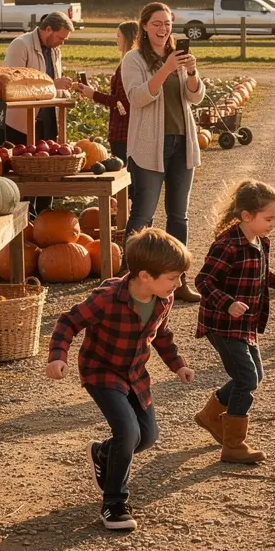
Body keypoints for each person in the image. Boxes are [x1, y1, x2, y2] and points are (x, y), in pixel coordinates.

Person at [45, 228, 194, 531]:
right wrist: (58, 356)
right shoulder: (107, 298)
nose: (177, 283)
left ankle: (103, 452)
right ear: (145, 275)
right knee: (127, 432)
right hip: (102, 372)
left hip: (136, 375)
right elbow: (68, 321)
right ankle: (114, 504)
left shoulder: (163, 299)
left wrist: (177, 365)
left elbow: (161, 335)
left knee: (147, 437)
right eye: (172, 277)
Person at [192, 180, 275, 464]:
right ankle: (234, 445)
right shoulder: (226, 245)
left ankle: (210, 416)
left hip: (245, 325)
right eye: (269, 218)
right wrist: (227, 303)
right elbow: (203, 280)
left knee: (255, 376)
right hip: (223, 325)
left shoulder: (260, 241)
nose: (274, 224)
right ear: (246, 216)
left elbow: (263, 273)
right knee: (246, 379)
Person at [123, 2, 204, 303]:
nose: (163, 29)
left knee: (178, 216)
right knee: (142, 215)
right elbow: (137, 97)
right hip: (149, 147)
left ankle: (177, 281)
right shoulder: (134, 60)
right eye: (157, 23)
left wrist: (191, 72)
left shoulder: (178, 58)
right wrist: (166, 69)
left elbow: (194, 98)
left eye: (167, 23)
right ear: (144, 26)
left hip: (182, 143)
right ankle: (128, 283)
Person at [3, 11, 75, 215]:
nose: (62, 43)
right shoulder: (21, 45)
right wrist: (53, 83)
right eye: (60, 38)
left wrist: (66, 88)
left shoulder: (54, 50)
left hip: (48, 116)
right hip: (22, 120)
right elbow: (12, 84)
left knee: (49, 167)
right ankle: (26, 217)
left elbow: (53, 84)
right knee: (27, 169)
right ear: (48, 29)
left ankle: (46, 213)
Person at [73, 20, 138, 165]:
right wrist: (91, 91)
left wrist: (94, 95)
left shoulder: (127, 66)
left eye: (119, 36)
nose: (116, 40)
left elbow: (121, 102)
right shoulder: (131, 63)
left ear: (128, 38)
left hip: (123, 132)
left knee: (126, 176)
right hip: (124, 131)